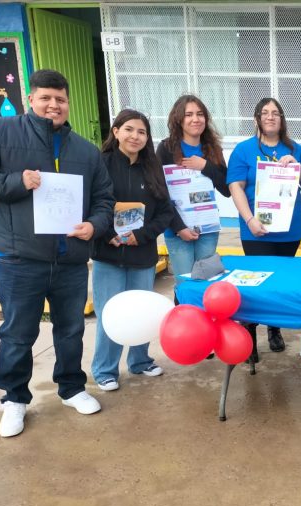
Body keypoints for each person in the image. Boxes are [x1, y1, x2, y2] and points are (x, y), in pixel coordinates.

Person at [0, 69, 115, 437]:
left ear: (68, 103)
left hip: (70, 259)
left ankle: (71, 388)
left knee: (70, 330)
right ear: (31, 99)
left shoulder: (85, 150)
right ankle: (14, 398)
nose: (54, 105)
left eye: (60, 99)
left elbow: (104, 198)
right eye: (46, 98)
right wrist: (15, 181)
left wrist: (94, 225)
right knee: (18, 334)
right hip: (20, 258)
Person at [91, 109, 174, 392]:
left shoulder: (152, 168)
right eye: (128, 129)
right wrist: (108, 234)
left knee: (141, 312)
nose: (135, 136)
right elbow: (90, 206)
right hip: (108, 253)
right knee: (110, 314)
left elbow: (165, 212)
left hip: (142, 254)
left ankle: (140, 361)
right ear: (116, 132)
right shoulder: (100, 164)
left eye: (141, 132)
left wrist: (141, 236)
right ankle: (105, 370)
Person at [227, 97, 301, 360]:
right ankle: (249, 339)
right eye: (265, 113)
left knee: (279, 284)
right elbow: (235, 187)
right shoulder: (243, 150)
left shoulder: (295, 148)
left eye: (276, 113)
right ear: (257, 119)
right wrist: (249, 219)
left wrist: (296, 166)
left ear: (282, 119)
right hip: (256, 230)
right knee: (255, 286)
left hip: (289, 231)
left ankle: (274, 329)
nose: (271, 117)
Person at [155, 95, 229, 303]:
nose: (195, 119)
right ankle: (183, 322)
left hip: (207, 228)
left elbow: (226, 188)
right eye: (188, 115)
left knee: (205, 283)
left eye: (200, 114)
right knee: (185, 284)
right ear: (179, 119)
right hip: (177, 230)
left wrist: (205, 166)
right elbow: (160, 193)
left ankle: (203, 322)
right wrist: (179, 228)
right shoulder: (166, 148)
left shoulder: (212, 149)